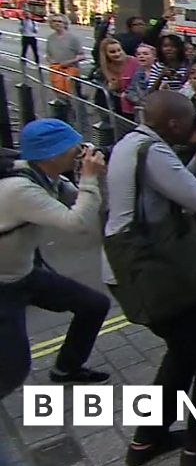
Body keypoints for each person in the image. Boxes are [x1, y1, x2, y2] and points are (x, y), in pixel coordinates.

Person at [104, 91, 196, 466]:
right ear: (173, 124)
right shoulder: (153, 151)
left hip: (133, 271)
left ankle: (146, 440)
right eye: (190, 121)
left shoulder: (133, 144)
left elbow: (179, 188)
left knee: (184, 350)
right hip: (151, 272)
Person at [0, 119, 111, 398]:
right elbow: (77, 223)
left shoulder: (44, 177)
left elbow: (88, 204)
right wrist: (88, 178)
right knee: (14, 368)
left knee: (94, 305)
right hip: (3, 285)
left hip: (24, 272)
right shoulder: (19, 189)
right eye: (74, 147)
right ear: (53, 154)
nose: (80, 151)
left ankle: (67, 368)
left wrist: (95, 179)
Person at [97, 37, 142, 119]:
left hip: (136, 104)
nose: (117, 54)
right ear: (105, 54)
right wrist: (111, 87)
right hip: (118, 106)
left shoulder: (134, 62)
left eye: (119, 50)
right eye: (112, 52)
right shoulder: (104, 68)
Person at [45, 14, 85, 95]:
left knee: (74, 96)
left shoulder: (73, 38)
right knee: (59, 94)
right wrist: (50, 60)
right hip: (56, 71)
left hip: (71, 72)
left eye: (60, 21)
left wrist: (70, 61)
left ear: (65, 23)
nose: (57, 23)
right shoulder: (50, 38)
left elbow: (82, 55)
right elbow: (49, 54)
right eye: (54, 21)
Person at [124, 44, 158, 111]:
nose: (141, 56)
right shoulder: (138, 72)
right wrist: (139, 101)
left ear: (154, 57)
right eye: (138, 54)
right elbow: (130, 91)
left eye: (145, 54)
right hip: (141, 110)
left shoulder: (160, 71)